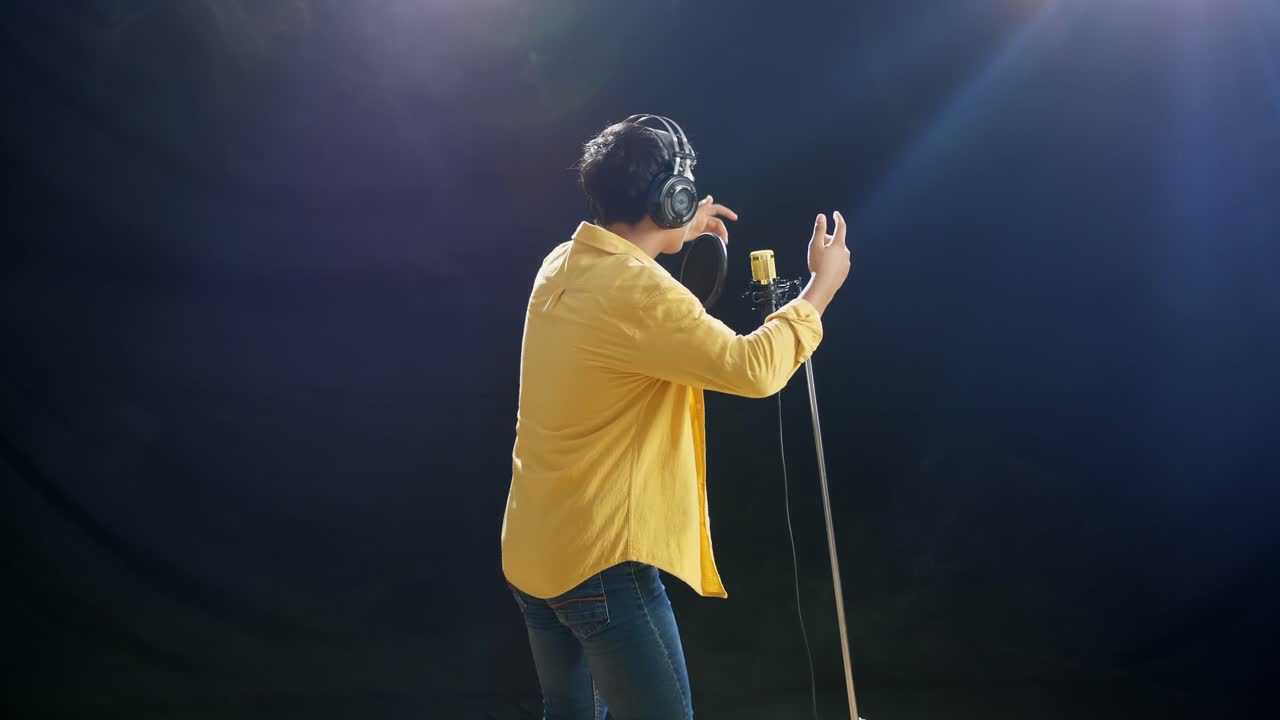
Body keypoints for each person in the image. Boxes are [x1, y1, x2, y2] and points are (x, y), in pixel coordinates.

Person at [500, 115, 852, 719]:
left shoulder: (562, 262)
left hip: (534, 555)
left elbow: (630, 309)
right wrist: (820, 288)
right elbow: (754, 368)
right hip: (601, 562)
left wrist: (675, 232)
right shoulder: (642, 296)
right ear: (674, 196)